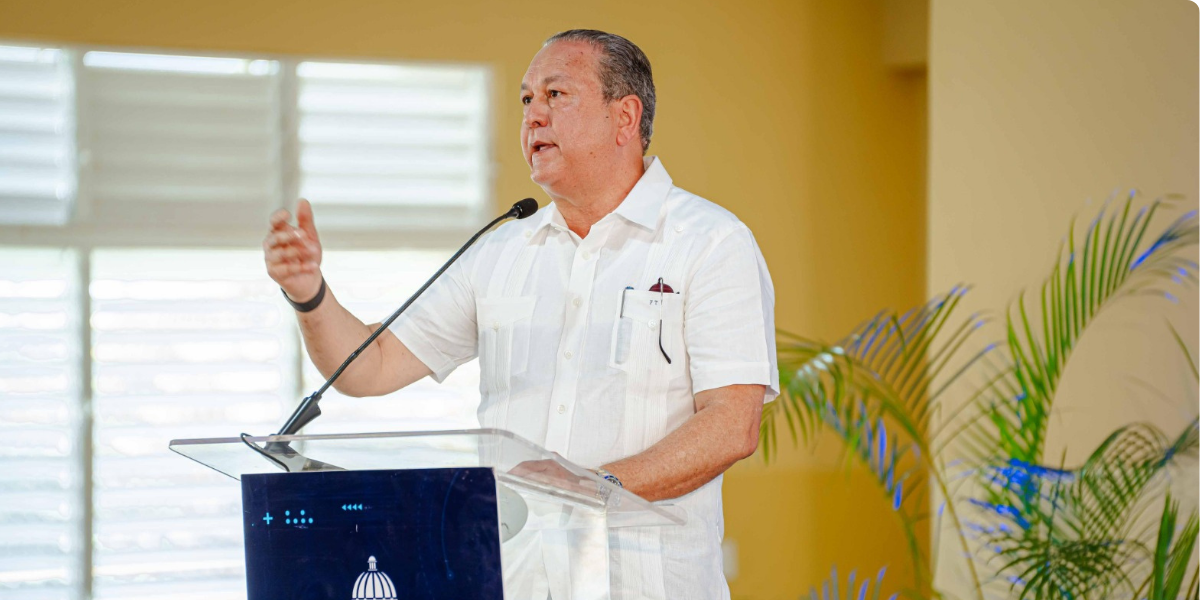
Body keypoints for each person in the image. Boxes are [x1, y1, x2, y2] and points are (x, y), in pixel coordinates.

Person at [263, 28, 778, 599]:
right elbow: (368, 367)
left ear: (624, 117)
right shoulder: (502, 251)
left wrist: (592, 488)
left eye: (556, 95)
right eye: (526, 99)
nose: (533, 115)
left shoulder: (709, 243)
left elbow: (732, 426)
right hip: (517, 581)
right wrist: (309, 293)